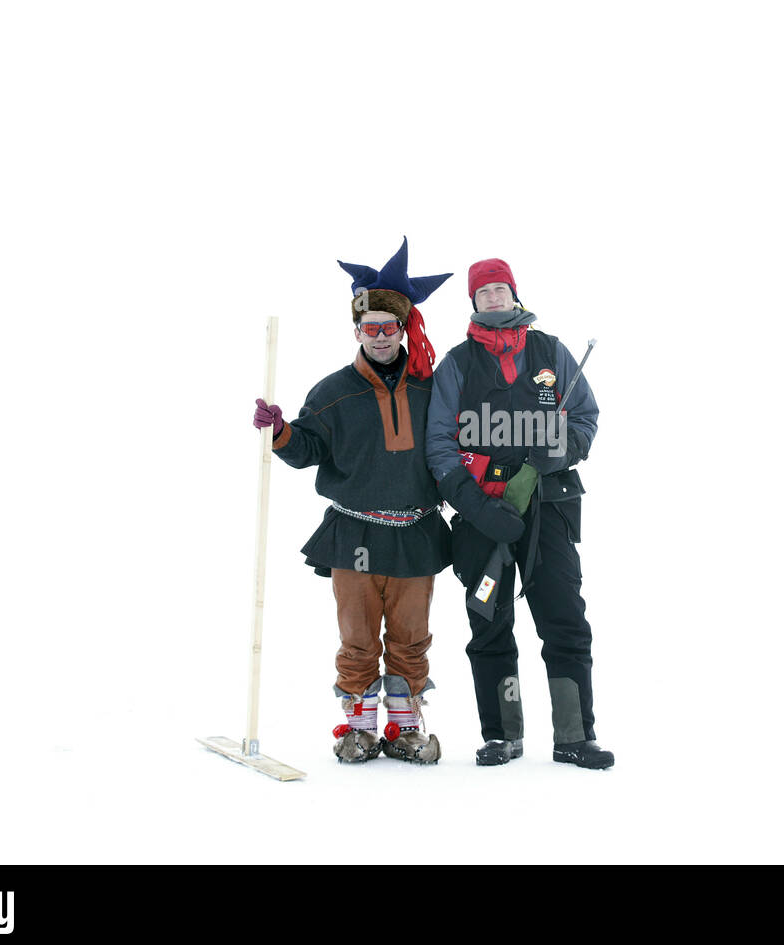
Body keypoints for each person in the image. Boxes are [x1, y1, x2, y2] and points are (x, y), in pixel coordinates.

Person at [252, 238, 452, 764]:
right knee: (358, 637)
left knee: (411, 636)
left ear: (402, 329)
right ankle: (358, 728)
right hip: (355, 532)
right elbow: (308, 449)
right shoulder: (333, 391)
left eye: (389, 328)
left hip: (417, 531)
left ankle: (405, 730)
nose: (381, 337)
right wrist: (282, 433)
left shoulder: (433, 388)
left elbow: (458, 443)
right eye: (371, 329)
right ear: (357, 331)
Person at [427, 257, 614, 769]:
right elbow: (440, 445)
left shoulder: (550, 351)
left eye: (500, 288)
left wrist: (563, 449)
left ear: (514, 293)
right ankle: (502, 736)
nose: (493, 297)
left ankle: (575, 737)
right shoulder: (457, 364)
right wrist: (475, 506)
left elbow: (585, 418)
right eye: (483, 291)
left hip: (549, 511)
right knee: (488, 624)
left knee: (565, 620)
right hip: (480, 517)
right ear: (473, 302)